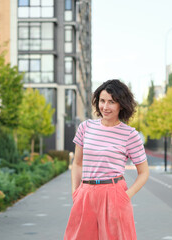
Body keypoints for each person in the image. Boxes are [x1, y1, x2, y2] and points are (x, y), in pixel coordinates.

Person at [64, 79, 149, 240]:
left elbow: (144, 172)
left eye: (111, 102)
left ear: (121, 105)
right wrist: (75, 192)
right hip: (85, 194)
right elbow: (77, 163)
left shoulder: (130, 135)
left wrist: (127, 195)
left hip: (114, 195)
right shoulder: (85, 127)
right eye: (102, 101)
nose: (105, 106)